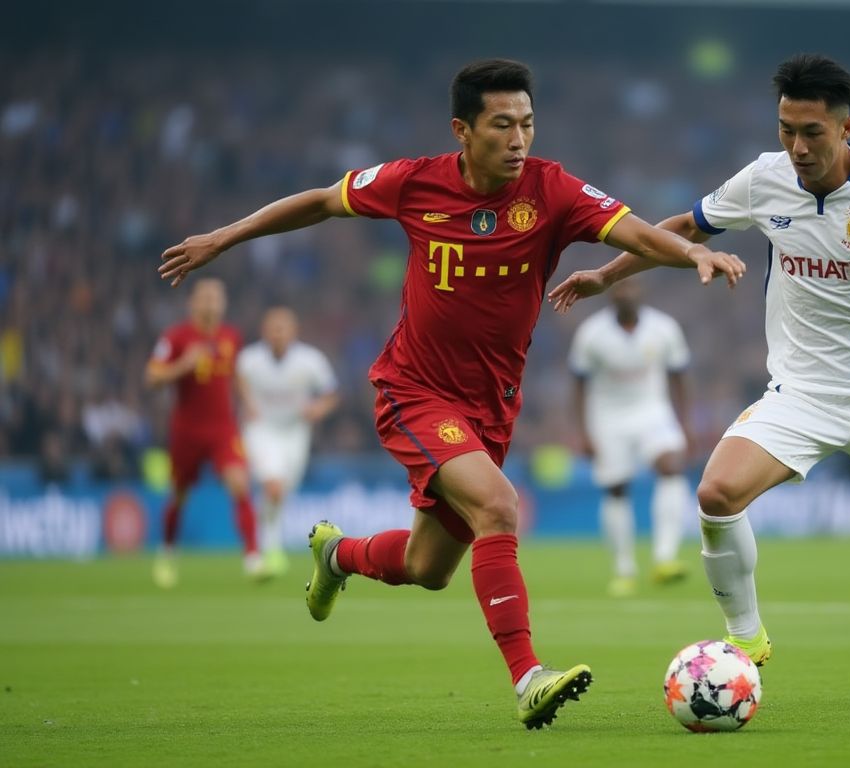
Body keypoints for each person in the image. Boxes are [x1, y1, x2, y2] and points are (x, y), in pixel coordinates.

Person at [157, 58, 745, 729]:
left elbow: (632, 229)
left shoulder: (551, 191)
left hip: (490, 406)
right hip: (414, 391)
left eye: (527, 122)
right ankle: (528, 676)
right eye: (503, 124)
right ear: (463, 131)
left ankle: (335, 554)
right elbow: (322, 200)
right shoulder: (413, 182)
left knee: (427, 566)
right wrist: (225, 237)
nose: (519, 137)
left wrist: (690, 253)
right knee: (499, 504)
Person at [550, 54, 850, 704]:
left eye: (811, 131)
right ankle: (748, 637)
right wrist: (605, 276)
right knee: (717, 493)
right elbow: (682, 227)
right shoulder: (764, 180)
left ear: (846, 127)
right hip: (803, 393)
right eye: (786, 128)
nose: (796, 145)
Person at [569, 277, 693, 597]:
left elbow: (678, 375)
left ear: (642, 292)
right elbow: (579, 384)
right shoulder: (591, 334)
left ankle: (665, 557)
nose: (627, 293)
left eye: (632, 287)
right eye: (620, 288)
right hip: (607, 417)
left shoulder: (664, 328)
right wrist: (583, 432)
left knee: (671, 467)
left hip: (653, 410)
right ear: (611, 295)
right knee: (616, 489)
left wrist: (684, 425)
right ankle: (624, 569)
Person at [144, 277, 261, 586]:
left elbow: (235, 373)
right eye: (205, 297)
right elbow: (152, 376)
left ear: (223, 304)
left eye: (216, 298)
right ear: (192, 303)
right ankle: (167, 553)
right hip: (187, 431)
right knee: (179, 495)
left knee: (239, 483)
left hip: (223, 429)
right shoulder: (176, 337)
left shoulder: (230, 336)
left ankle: (253, 557)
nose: (211, 303)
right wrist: (184, 364)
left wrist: (248, 402)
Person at [236, 306, 339, 577]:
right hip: (262, 429)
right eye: (273, 328)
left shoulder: (310, 361)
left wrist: (318, 408)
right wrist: (247, 403)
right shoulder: (250, 359)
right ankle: (271, 546)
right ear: (264, 331)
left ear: (293, 332)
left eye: (283, 328)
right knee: (273, 485)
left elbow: (331, 393)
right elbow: (238, 380)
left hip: (295, 432)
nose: (278, 334)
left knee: (282, 491)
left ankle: (266, 534)